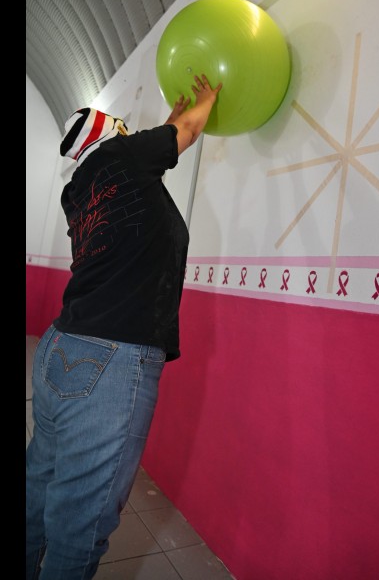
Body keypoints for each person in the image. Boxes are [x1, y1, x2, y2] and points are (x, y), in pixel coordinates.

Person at [26, 73, 223, 580]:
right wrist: (208, 100)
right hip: (109, 361)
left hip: (61, 347)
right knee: (80, 525)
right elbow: (185, 134)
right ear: (113, 132)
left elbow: (145, 185)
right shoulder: (123, 157)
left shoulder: (80, 190)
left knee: (38, 487)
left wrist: (168, 124)